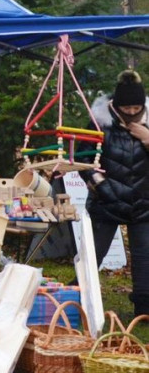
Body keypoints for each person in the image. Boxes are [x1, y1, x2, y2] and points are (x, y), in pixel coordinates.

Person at [86, 70, 149, 316]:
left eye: (137, 107)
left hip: (144, 202)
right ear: (116, 104)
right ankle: (79, 297)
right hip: (106, 200)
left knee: (145, 259)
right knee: (94, 255)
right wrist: (101, 187)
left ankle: (144, 310)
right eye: (127, 107)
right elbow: (84, 161)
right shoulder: (99, 122)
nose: (132, 112)